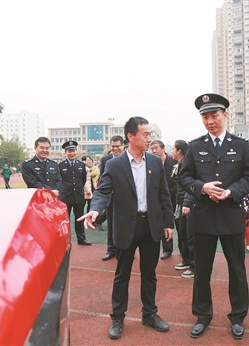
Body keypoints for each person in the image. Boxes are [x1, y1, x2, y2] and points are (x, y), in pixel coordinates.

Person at [78, 116, 174, 340]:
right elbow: (102, 191)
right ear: (131, 137)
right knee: (122, 275)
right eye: (145, 134)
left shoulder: (154, 162)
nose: (150, 138)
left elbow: (163, 195)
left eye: (150, 134)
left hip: (150, 225)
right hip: (125, 227)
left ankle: (149, 313)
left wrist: (168, 222)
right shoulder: (114, 164)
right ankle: (118, 317)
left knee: (149, 274)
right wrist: (95, 209)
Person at [179, 93, 249, 340]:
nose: (210, 120)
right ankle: (203, 316)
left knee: (237, 270)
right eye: (205, 116)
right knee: (202, 270)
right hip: (202, 217)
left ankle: (238, 317)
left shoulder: (241, 145)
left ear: (225, 115)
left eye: (214, 115)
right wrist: (203, 188)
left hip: (231, 215)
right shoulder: (195, 146)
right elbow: (184, 177)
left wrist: (232, 191)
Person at [99, 135, 126, 261]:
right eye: (113, 146)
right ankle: (111, 250)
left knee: (125, 225)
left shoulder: (129, 158)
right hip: (111, 198)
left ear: (123, 146)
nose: (115, 149)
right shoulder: (105, 160)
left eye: (118, 146)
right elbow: (103, 179)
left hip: (126, 199)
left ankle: (125, 250)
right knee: (111, 224)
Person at [170, 139, 195, 278]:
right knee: (183, 234)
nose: (172, 152)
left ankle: (194, 265)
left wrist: (186, 203)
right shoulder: (179, 164)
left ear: (179, 151)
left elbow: (190, 187)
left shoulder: (188, 165)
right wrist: (178, 203)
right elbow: (179, 187)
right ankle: (186, 260)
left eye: (173, 149)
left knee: (190, 235)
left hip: (190, 206)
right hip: (182, 204)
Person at [58, 140, 90, 246]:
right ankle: (65, 239)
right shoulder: (61, 165)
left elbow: (83, 179)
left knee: (79, 218)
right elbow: (59, 180)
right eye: (69, 151)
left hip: (78, 196)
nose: (72, 153)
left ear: (76, 151)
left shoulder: (81, 165)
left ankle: (81, 238)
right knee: (65, 220)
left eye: (73, 151)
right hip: (66, 196)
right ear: (65, 152)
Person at [150, 140, 178, 260]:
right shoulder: (152, 163)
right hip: (160, 199)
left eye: (156, 148)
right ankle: (167, 249)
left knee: (180, 225)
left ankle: (184, 250)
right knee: (163, 224)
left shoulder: (173, 161)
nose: (154, 151)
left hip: (175, 198)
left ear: (163, 148)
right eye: (152, 149)